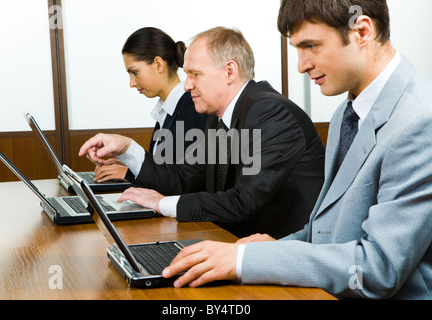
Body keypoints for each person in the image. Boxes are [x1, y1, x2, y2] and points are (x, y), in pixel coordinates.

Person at [158, 0, 432, 300]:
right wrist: (268, 250)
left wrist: (243, 261)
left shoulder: (419, 121)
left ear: (362, 30)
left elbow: (376, 269)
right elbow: (323, 232)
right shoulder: (347, 112)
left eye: (311, 46)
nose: (302, 65)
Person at [79, 27, 325, 239]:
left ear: (230, 71)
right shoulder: (217, 118)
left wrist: (161, 203)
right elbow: (185, 178)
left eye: (194, 74)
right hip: (232, 242)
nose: (187, 85)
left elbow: (244, 201)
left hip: (284, 257)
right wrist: (127, 149)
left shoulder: (268, 111)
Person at [93, 27, 207, 183]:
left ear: (158, 64)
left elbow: (185, 181)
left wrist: (131, 173)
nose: (131, 83)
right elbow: (166, 169)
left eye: (134, 72)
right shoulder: (169, 109)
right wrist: (133, 166)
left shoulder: (192, 109)